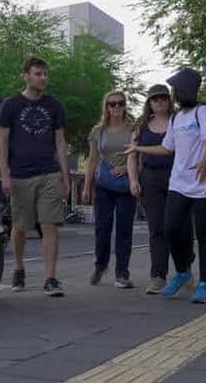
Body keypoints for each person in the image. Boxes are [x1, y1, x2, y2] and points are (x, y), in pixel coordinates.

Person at [123, 68, 206, 303]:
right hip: (179, 183)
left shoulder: (202, 111)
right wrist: (138, 148)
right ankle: (182, 271)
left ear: (185, 89)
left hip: (205, 184)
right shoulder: (177, 118)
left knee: (203, 234)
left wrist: (204, 161)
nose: (173, 93)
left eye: (175, 89)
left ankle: (204, 284)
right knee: (170, 228)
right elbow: (167, 148)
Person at [0, 56, 70, 297]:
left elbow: (60, 142)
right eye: (38, 73)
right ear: (26, 75)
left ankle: (50, 278)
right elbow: (2, 141)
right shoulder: (10, 105)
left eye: (45, 74)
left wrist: (65, 176)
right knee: (20, 227)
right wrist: (4, 175)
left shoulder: (54, 105)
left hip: (49, 173)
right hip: (20, 175)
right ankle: (19, 268)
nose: (43, 78)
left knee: (50, 224)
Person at [82, 91, 136, 289]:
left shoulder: (133, 129)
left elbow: (139, 155)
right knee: (102, 228)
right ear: (106, 107)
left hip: (126, 184)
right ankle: (100, 265)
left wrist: (127, 169)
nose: (116, 107)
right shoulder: (98, 131)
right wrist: (86, 186)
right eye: (112, 104)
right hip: (103, 184)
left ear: (125, 106)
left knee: (124, 229)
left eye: (120, 103)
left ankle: (122, 273)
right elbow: (92, 160)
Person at [127, 84, 175, 294]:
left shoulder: (177, 122)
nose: (160, 102)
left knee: (176, 227)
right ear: (149, 103)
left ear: (169, 101)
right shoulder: (141, 126)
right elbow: (132, 155)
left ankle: (184, 265)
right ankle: (158, 276)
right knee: (157, 228)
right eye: (155, 99)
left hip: (177, 179)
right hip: (150, 180)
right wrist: (133, 180)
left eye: (163, 98)